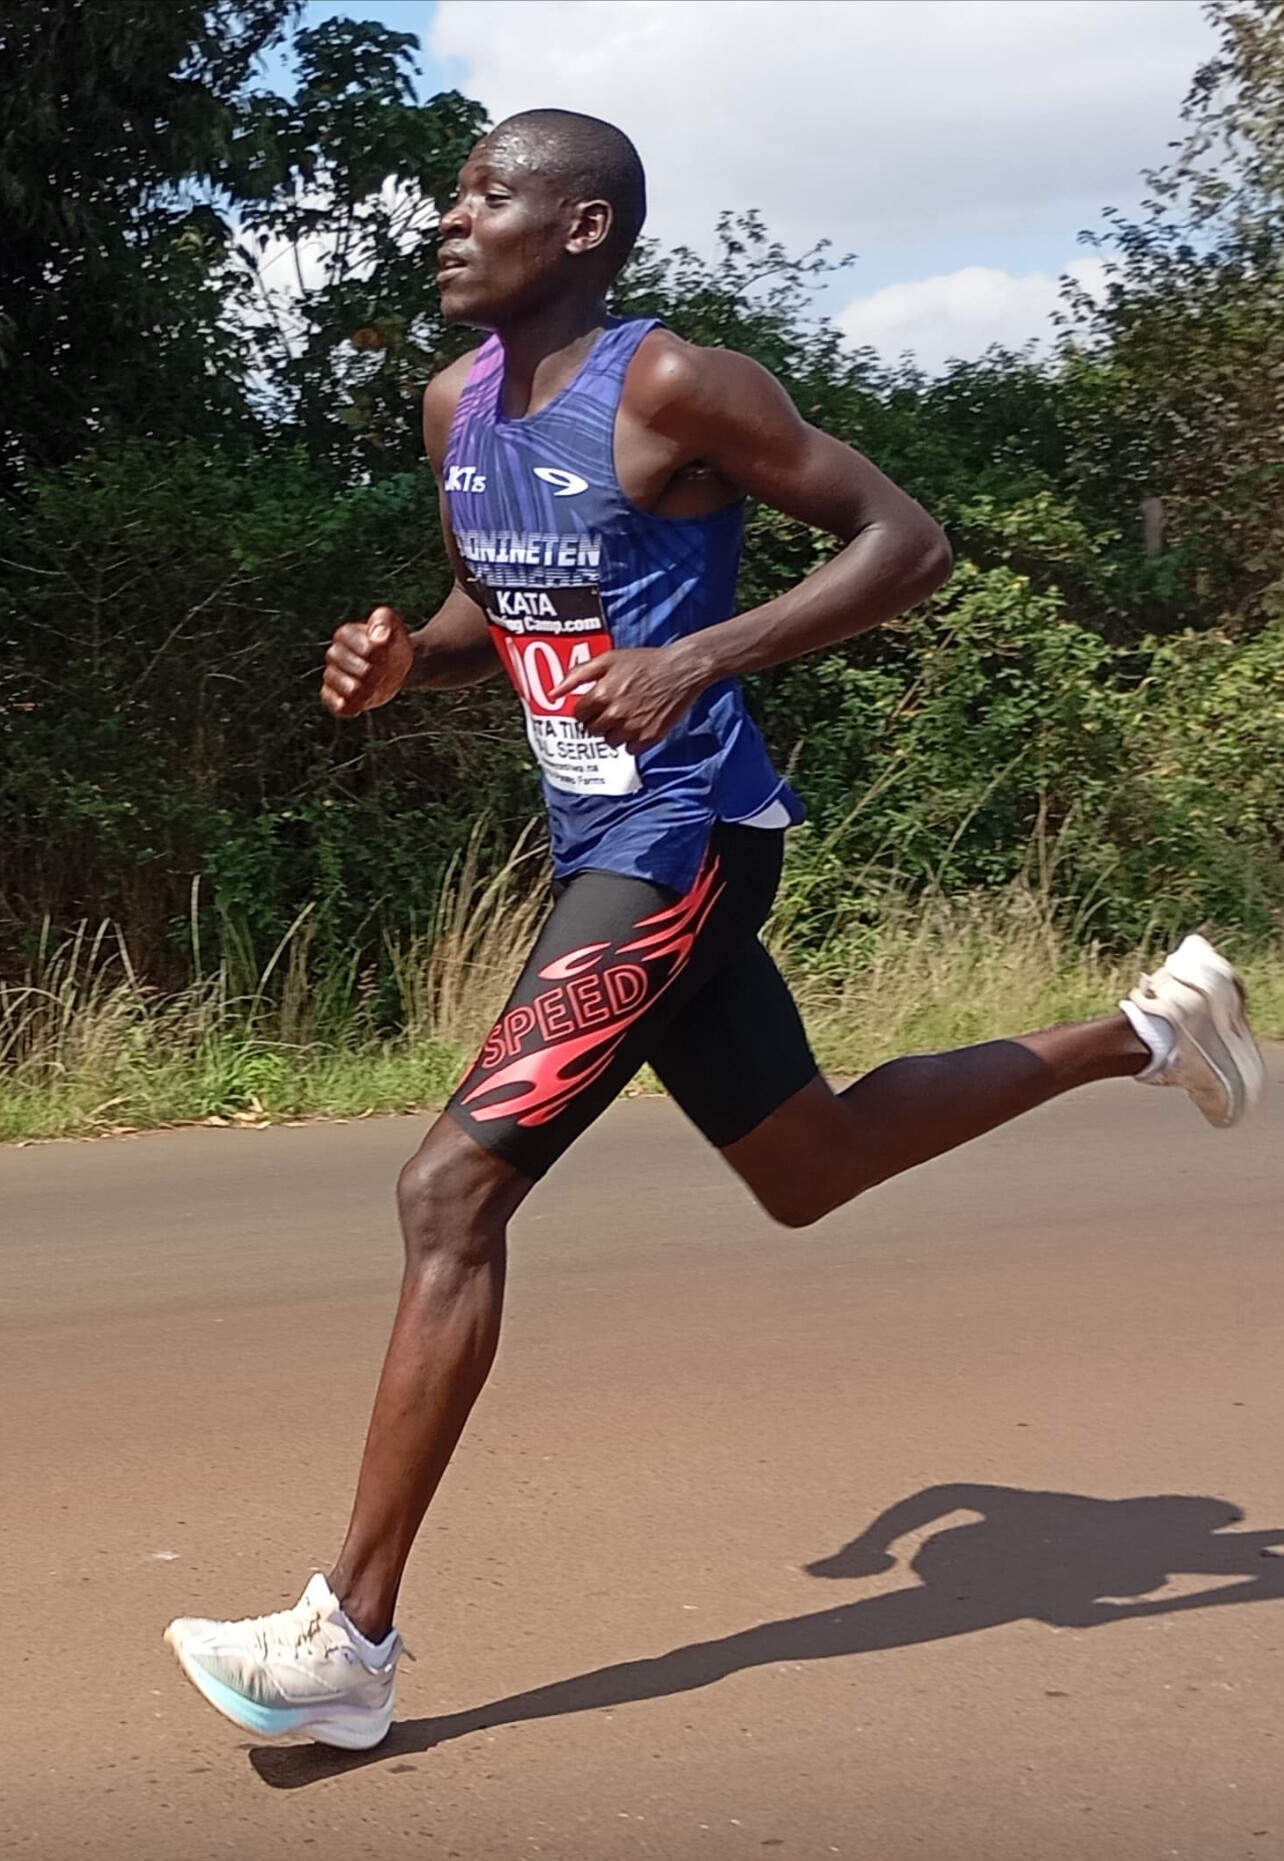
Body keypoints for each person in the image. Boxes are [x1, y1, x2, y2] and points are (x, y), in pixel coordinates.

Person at [163, 110, 1265, 1752]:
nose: (449, 222)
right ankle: (1153, 1028)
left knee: (449, 1188)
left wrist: (705, 655)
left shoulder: (675, 385)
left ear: (584, 228)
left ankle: (349, 1641)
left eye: (485, 196)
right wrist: (410, 663)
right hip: (599, 835)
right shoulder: (457, 404)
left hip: (680, 838)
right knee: (810, 1163)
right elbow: (500, 608)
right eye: (452, 198)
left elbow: (908, 543)